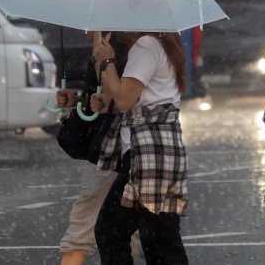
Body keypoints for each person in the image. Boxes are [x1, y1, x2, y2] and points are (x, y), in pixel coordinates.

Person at [91, 30, 190, 264]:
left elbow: (124, 99)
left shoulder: (146, 45)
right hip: (155, 152)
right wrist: (101, 60)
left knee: (121, 232)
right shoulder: (161, 43)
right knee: (157, 237)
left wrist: (107, 60)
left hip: (148, 154)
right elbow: (121, 100)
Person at [56, 32, 144, 265]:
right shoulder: (116, 49)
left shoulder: (112, 51)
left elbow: (118, 100)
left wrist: (103, 62)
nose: (84, 31)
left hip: (113, 147)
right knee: (126, 229)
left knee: (84, 223)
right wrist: (76, 101)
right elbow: (100, 102)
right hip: (128, 147)